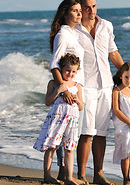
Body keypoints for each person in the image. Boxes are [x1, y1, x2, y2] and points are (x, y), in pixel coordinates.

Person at [75, 0, 124, 185]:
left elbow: (113, 53)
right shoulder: (73, 29)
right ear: (80, 7)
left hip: (106, 87)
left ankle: (98, 174)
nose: (91, 11)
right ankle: (80, 175)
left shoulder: (107, 26)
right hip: (85, 87)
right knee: (86, 133)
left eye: (94, 6)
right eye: (87, 7)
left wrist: (129, 73)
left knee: (101, 134)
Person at [33, 53, 84, 185]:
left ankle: (70, 177)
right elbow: (47, 102)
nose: (70, 74)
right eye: (67, 70)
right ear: (61, 69)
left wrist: (78, 100)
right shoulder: (53, 83)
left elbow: (81, 107)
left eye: (73, 71)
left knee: (69, 148)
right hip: (57, 118)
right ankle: (47, 175)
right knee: (51, 146)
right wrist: (58, 91)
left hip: (72, 121)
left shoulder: (77, 86)